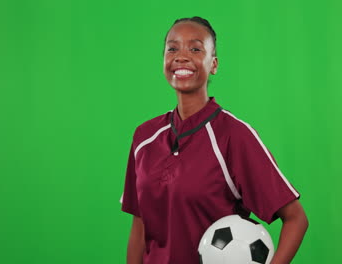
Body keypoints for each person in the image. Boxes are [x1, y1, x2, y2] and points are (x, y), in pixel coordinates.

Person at [120, 16, 308, 264]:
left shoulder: (234, 135)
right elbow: (140, 227)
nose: (181, 56)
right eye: (172, 48)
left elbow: (296, 219)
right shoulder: (144, 137)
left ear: (214, 64)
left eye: (196, 49)